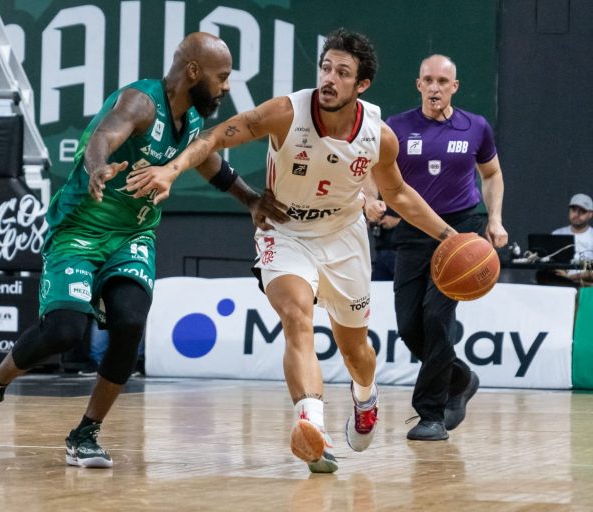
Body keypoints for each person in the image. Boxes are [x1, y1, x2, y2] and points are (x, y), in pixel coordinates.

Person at [125, 29, 458, 472]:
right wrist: (171, 169)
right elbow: (215, 137)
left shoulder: (379, 136)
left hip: (343, 235)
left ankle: (365, 396)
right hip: (284, 230)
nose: (330, 79)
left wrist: (450, 236)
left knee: (356, 350)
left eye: (343, 73)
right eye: (326, 68)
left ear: (362, 85)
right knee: (296, 317)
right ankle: (312, 426)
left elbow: (398, 194)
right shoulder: (286, 112)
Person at [0, 32, 288, 468]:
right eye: (222, 76)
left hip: (133, 236)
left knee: (129, 323)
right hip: (80, 228)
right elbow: (104, 136)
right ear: (193, 72)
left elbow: (211, 164)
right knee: (64, 332)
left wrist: (251, 200)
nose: (226, 86)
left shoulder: (190, 123)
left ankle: (86, 433)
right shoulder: (142, 102)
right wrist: (98, 169)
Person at [376, 54, 508, 441]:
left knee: (436, 317)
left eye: (442, 81)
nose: (435, 87)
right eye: (428, 80)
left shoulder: (475, 127)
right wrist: (370, 199)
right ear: (418, 85)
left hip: (460, 232)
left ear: (455, 87)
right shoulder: (396, 127)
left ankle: (430, 414)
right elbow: (374, 171)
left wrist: (495, 219)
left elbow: (492, 174)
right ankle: (461, 378)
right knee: (408, 326)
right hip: (413, 230)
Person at [549, 193, 593, 285]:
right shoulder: (557, 234)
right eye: (574, 210)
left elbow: (591, 271)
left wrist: (570, 277)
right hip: (559, 283)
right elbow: (549, 263)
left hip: (587, 285)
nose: (576, 214)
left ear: (590, 214)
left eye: (582, 211)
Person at [366, 201, 400, 281]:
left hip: (401, 250)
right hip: (379, 251)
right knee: (377, 286)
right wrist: (372, 219)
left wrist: (397, 221)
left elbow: (418, 216)